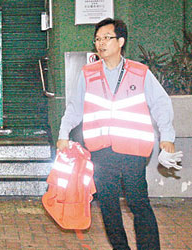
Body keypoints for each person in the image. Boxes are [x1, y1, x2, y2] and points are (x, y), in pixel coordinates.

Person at [57, 18, 179, 250]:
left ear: (120, 41)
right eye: (97, 39)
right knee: (108, 207)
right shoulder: (88, 73)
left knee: (138, 203)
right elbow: (74, 107)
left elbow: (161, 104)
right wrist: (64, 133)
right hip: (101, 152)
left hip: (133, 151)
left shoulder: (139, 72)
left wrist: (167, 137)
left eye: (106, 38)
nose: (101, 43)